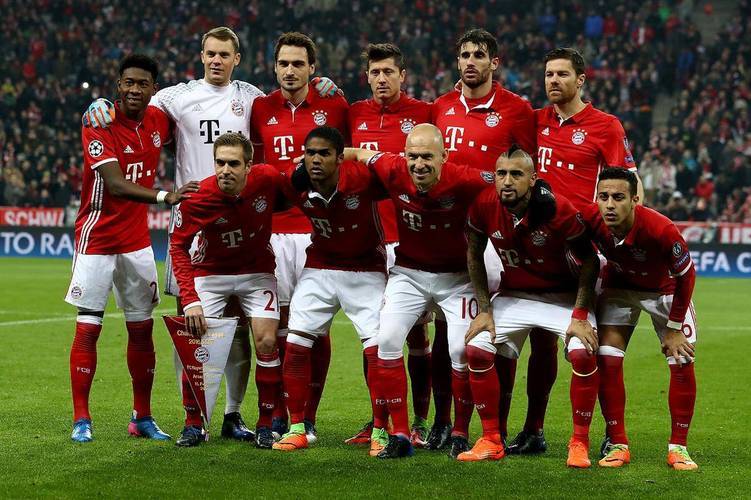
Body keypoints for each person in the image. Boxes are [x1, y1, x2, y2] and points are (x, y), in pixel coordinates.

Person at [82, 27, 340, 443]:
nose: (216, 60)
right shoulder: (175, 97)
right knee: (192, 327)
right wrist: (100, 105)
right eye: (210, 53)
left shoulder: (251, 96)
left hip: (243, 218)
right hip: (194, 215)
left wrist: (323, 85)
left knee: (243, 332)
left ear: (237, 59)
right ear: (201, 56)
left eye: (224, 54)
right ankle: (196, 418)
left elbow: (290, 95)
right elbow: (135, 104)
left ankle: (233, 415)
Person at [505, 46, 644, 455]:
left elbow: (629, 184)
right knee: (539, 341)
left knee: (596, 346)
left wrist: (623, 235)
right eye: (549, 74)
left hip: (583, 247)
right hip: (536, 245)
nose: (553, 81)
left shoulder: (606, 126)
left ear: (581, 80)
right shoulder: (534, 121)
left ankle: (611, 433)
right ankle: (533, 429)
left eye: (562, 74)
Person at [65, 54, 197, 443]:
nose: (134, 89)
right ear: (118, 85)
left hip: (137, 242)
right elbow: (115, 184)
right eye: (128, 83)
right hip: (97, 238)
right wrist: (165, 196)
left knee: (142, 330)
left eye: (142, 84)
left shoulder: (158, 121)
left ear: (154, 89)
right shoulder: (99, 123)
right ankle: (81, 418)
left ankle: (142, 417)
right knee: (89, 327)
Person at [344, 123, 495, 459]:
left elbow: (504, 183)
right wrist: (321, 157)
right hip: (409, 274)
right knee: (386, 340)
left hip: (457, 278)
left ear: (444, 156)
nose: (419, 164)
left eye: (427, 156)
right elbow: (359, 154)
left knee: (460, 350)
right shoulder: (393, 168)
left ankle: (460, 432)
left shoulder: (466, 179)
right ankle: (400, 434)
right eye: (412, 156)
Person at [429, 27, 537, 450]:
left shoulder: (517, 110)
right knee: (445, 330)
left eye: (479, 55)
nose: (470, 61)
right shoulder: (440, 107)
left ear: (494, 62)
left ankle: (500, 427)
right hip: (447, 231)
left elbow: (529, 172)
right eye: (464, 55)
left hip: (495, 235)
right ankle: (444, 423)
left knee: (500, 333)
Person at [458, 147, 600, 466]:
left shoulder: (558, 210)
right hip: (515, 294)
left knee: (582, 351)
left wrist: (579, 315)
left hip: (561, 297)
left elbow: (590, 261)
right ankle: (491, 439)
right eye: (501, 174)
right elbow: (474, 254)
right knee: (477, 347)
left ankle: (579, 443)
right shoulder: (484, 204)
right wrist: (484, 310)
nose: (507, 181)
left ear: (533, 180)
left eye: (516, 174)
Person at [250, 32, 349, 439]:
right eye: (283, 64)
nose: (290, 71)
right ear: (274, 68)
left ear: (312, 68)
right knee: (277, 327)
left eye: (298, 64)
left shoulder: (335, 106)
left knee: (314, 328)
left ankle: (308, 416)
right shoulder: (260, 107)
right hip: (272, 233)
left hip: (316, 230)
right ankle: (276, 413)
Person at [271, 126, 388, 452]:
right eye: (310, 153)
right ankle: (298, 427)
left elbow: (402, 181)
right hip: (320, 265)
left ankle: (381, 430)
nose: (316, 160)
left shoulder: (363, 178)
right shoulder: (294, 182)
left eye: (324, 153)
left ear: (339, 158)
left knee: (378, 348)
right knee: (295, 341)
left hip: (366, 268)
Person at [169, 133, 283, 448]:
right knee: (197, 341)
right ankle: (193, 424)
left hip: (256, 272)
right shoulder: (198, 197)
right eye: (220, 163)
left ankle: (264, 424)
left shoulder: (268, 178)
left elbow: (293, 195)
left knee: (267, 340)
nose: (225, 170)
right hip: (211, 273)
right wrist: (190, 301)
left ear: (249, 166)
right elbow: (177, 246)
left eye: (233, 164)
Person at [581, 168, 698, 470]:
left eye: (618, 197)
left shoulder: (661, 229)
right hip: (620, 288)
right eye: (603, 197)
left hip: (665, 292)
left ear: (635, 200)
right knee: (607, 359)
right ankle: (617, 443)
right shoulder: (591, 220)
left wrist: (674, 327)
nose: (609, 205)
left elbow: (686, 276)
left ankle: (679, 447)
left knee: (681, 359)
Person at [346, 42, 433, 447]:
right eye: (375, 72)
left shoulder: (424, 114)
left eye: (388, 72)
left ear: (402, 75)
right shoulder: (354, 113)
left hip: (410, 238)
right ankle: (379, 418)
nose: (381, 79)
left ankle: (420, 420)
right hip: (367, 241)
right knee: (376, 335)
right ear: (367, 77)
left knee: (417, 336)